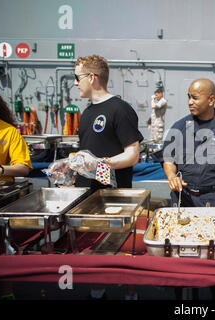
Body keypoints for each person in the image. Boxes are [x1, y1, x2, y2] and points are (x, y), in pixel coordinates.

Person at [161, 78, 215, 300]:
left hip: (213, 199)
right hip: (184, 198)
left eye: (195, 97)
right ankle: (181, 298)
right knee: (181, 253)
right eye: (188, 96)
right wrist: (171, 176)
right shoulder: (180, 127)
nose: (189, 101)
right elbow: (168, 159)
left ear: (211, 99)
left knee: (214, 255)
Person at [73, 55, 143, 300]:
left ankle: (130, 291)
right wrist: (73, 166)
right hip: (87, 193)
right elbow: (88, 152)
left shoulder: (119, 109)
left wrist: (102, 163)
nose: (75, 83)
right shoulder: (87, 112)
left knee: (121, 245)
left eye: (77, 77)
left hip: (115, 195)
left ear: (92, 78)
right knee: (94, 247)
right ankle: (97, 290)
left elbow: (133, 154)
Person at [0, 89, 32, 300]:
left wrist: (1, 169)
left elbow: (24, 167)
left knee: (0, 245)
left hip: (0, 196)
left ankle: (6, 292)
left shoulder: (8, 132)